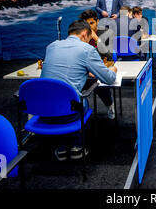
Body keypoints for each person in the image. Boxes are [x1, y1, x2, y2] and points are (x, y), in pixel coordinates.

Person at [41, 20, 117, 161]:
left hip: (42, 110)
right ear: (84, 35)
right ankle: (77, 147)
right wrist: (112, 69)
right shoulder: (87, 49)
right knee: (79, 100)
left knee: (61, 97)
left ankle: (62, 147)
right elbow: (109, 79)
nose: (88, 42)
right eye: (89, 39)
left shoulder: (51, 46)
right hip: (69, 112)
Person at [79, 9, 116, 119]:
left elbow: (109, 57)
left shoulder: (107, 33)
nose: (89, 27)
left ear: (97, 21)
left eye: (92, 23)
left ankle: (109, 104)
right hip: (83, 70)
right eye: (86, 24)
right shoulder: (79, 34)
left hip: (99, 68)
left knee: (101, 86)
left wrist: (96, 39)